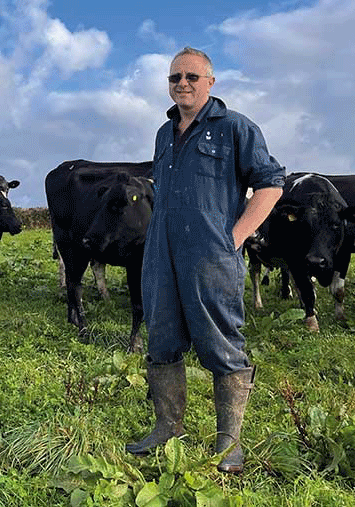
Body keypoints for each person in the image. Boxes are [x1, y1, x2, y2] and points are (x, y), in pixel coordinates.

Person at [125, 47, 285, 473]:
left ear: (210, 82)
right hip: (161, 253)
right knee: (161, 338)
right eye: (175, 77)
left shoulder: (234, 127)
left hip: (211, 255)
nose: (183, 83)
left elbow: (270, 184)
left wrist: (234, 237)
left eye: (192, 77)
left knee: (220, 343)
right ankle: (167, 427)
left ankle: (228, 443)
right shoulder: (164, 133)